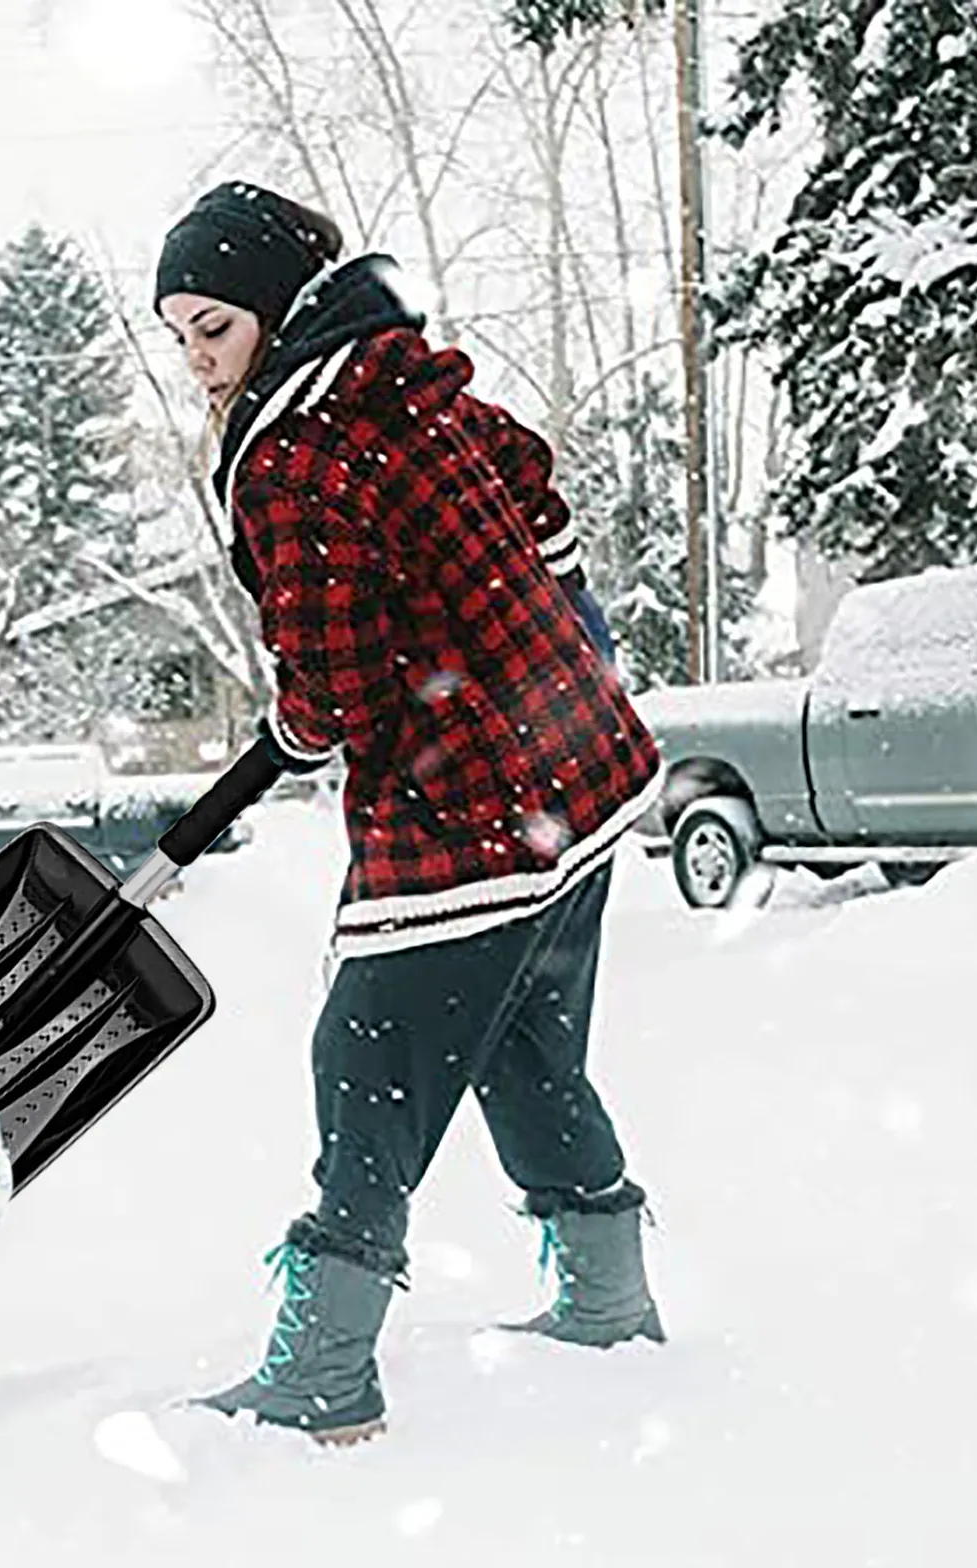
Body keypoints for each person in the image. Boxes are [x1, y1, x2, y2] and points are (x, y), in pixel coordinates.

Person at [153, 180, 667, 1448]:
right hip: (580, 768)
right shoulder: (408, 385)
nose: (198, 359)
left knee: (366, 1057)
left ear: (275, 309)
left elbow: (336, 689)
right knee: (521, 1041)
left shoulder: (292, 450)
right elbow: (535, 495)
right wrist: (539, 640)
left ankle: (325, 1370)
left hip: (470, 796)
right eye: (179, 337)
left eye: (213, 327)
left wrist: (299, 724)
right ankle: (608, 1300)